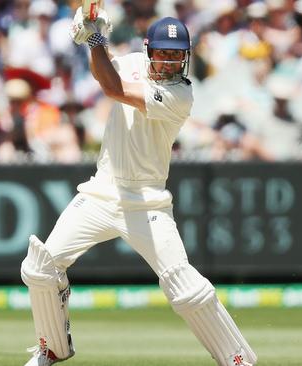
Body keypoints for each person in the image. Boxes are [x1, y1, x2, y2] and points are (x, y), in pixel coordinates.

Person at [20, 8, 256, 366]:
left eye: (177, 56)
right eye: (163, 53)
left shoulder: (180, 95)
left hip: (148, 203)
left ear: (186, 58)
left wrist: (95, 38)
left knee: (185, 288)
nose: (170, 63)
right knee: (40, 267)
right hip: (101, 192)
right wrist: (88, 38)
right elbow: (105, 71)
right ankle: (51, 347)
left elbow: (113, 88)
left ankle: (238, 359)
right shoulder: (130, 61)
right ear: (149, 50)